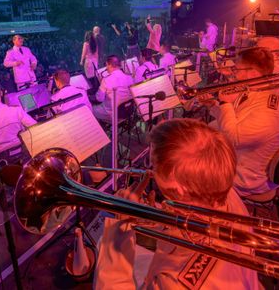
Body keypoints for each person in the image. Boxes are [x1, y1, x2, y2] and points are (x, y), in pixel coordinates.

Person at [94, 118, 261, 289]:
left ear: (178, 188)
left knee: (103, 244)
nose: (151, 171)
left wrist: (120, 226)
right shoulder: (222, 189)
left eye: (153, 165)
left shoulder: (173, 282)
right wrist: (160, 218)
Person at [208, 47, 279, 197]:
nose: (234, 73)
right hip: (239, 157)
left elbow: (233, 139)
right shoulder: (260, 89)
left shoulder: (268, 113)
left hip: (244, 177)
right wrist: (212, 106)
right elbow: (235, 118)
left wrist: (225, 103)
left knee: (184, 165)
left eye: (237, 69)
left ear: (253, 73)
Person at [93, 55, 134, 122]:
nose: (106, 68)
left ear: (109, 65)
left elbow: (99, 99)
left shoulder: (106, 80)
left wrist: (101, 86)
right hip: (128, 111)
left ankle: (104, 128)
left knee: (92, 109)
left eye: (106, 65)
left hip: (113, 113)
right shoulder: (129, 77)